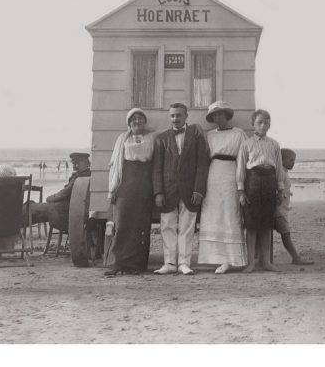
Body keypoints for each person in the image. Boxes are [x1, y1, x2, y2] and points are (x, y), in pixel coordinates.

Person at [152, 103, 210, 275]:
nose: (175, 119)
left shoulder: (196, 136)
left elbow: (202, 164)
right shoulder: (161, 138)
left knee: (187, 226)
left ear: (186, 116)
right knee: (167, 225)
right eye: (172, 116)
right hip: (168, 190)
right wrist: (158, 192)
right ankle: (169, 263)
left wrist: (199, 190)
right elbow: (157, 167)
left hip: (190, 189)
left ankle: (184, 263)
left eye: (178, 115)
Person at [104, 108, 156, 276]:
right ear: (129, 123)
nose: (137, 122)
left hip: (145, 183)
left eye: (140, 119)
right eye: (133, 119)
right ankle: (118, 263)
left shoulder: (153, 137)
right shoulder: (122, 139)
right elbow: (114, 165)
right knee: (123, 223)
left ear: (145, 121)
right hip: (126, 183)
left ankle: (137, 265)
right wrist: (113, 189)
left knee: (140, 225)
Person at [197, 101, 247, 274]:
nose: (218, 117)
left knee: (229, 214)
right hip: (213, 176)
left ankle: (230, 260)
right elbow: (204, 159)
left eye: (220, 114)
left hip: (230, 175)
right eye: (214, 115)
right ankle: (214, 258)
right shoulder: (210, 135)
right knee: (213, 214)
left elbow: (242, 159)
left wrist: (241, 185)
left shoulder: (239, 134)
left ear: (226, 115)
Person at [237, 109, 284, 273]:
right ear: (253, 124)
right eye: (260, 122)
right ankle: (250, 263)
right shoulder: (246, 144)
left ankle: (266, 262)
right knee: (251, 225)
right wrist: (241, 191)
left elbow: (279, 169)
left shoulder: (274, 144)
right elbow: (241, 169)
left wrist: (281, 189)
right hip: (253, 183)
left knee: (266, 225)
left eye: (267, 122)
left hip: (269, 182)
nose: (264, 125)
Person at [28, 152, 92, 232]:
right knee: (33, 209)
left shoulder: (79, 177)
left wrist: (50, 198)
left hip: (66, 211)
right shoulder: (87, 174)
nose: (75, 166)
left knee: (30, 208)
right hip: (70, 209)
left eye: (77, 163)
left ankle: (14, 233)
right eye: (73, 163)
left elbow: (64, 194)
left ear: (86, 163)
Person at [275, 148, 314, 265]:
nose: (293, 163)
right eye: (291, 160)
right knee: (286, 234)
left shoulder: (284, 171)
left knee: (283, 234)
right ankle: (296, 257)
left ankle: (295, 257)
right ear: (282, 160)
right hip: (279, 210)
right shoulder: (280, 172)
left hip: (282, 208)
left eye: (294, 160)